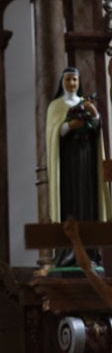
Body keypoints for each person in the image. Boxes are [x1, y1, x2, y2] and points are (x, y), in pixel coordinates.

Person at [45, 66, 111, 267]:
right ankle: (67, 253)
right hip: (67, 165)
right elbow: (54, 133)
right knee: (70, 203)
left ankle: (89, 253)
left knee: (87, 203)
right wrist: (68, 126)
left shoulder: (85, 103)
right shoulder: (55, 106)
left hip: (86, 162)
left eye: (75, 80)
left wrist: (95, 116)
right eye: (68, 80)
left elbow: (97, 131)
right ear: (62, 83)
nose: (72, 84)